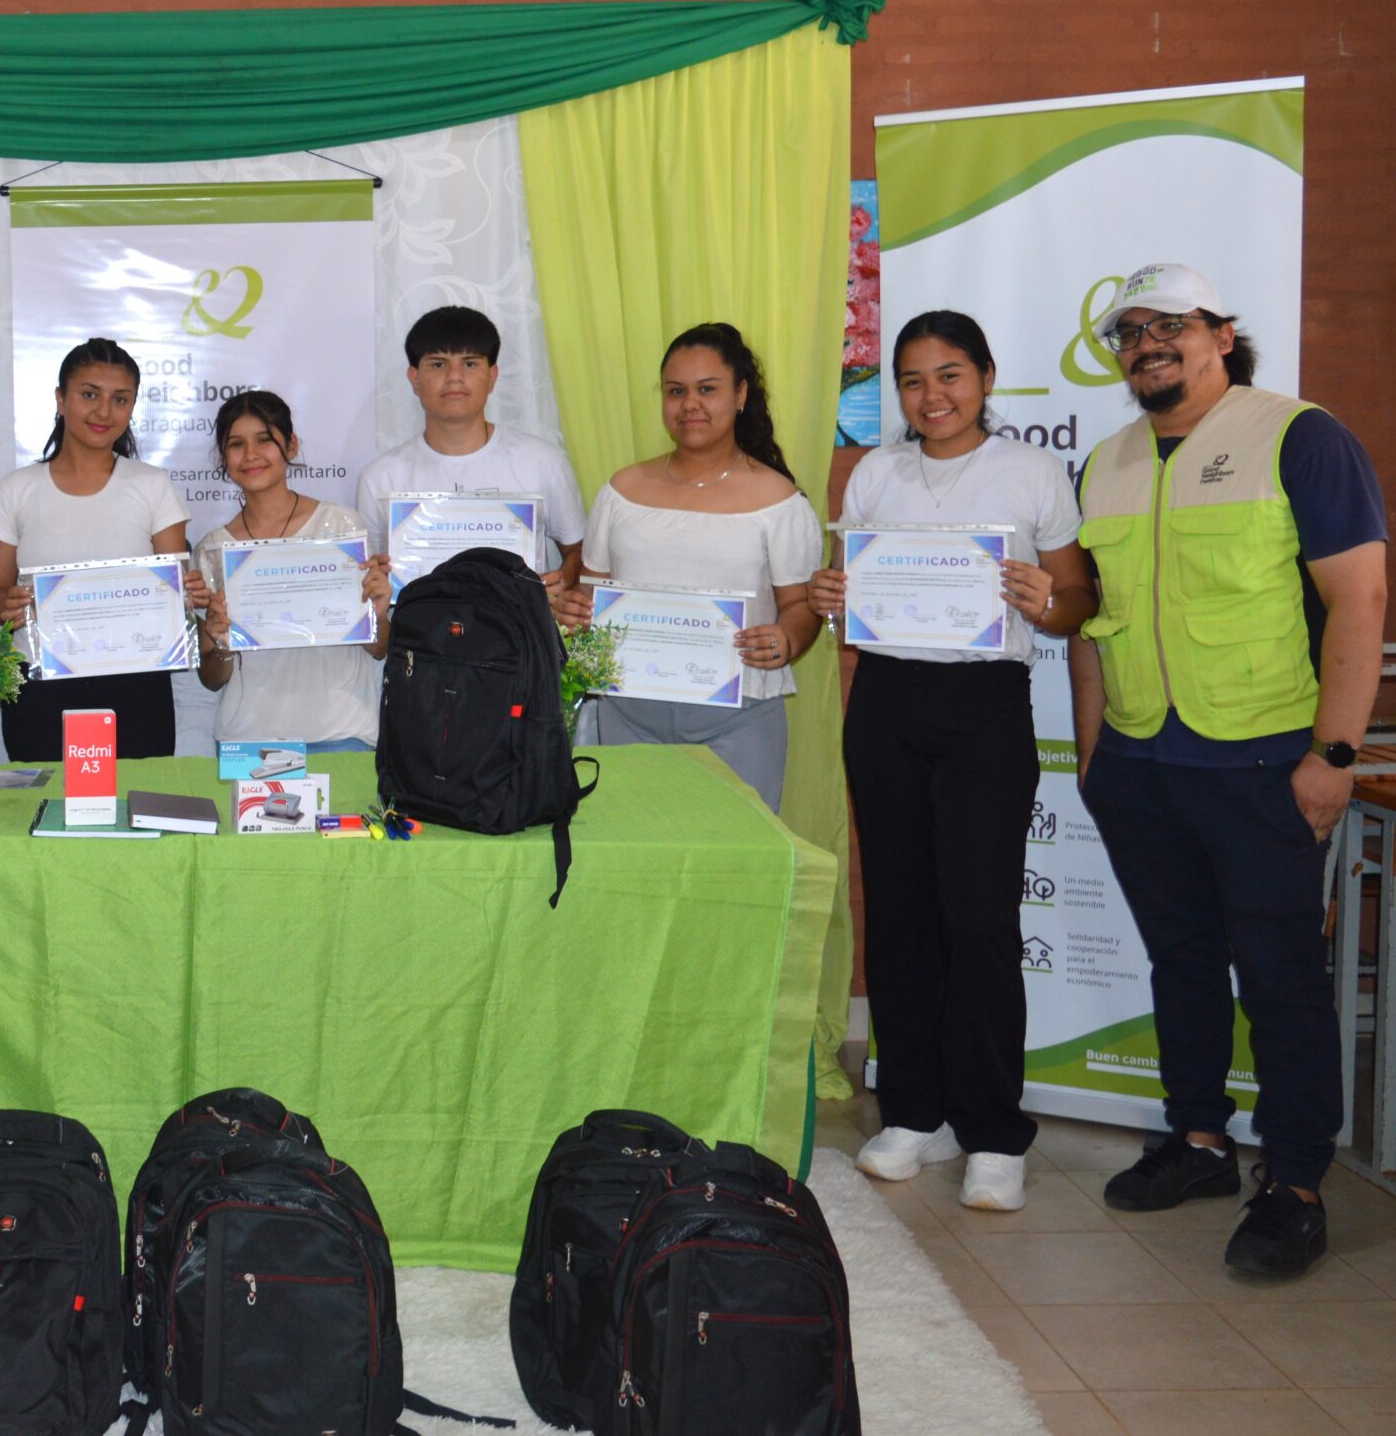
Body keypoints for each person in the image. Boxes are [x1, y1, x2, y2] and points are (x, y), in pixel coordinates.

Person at [1071, 263, 1386, 1279]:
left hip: (1261, 760)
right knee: (1181, 961)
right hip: (1140, 759)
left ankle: (1293, 1182)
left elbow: (1359, 598)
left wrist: (1333, 754)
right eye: (1129, 331)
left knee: (1283, 977)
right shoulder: (1106, 460)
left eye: (1170, 324)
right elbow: (1088, 614)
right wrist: (1094, 755)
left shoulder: (1298, 434)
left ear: (1218, 332)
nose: (1147, 342)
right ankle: (1197, 1139)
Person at [807, 312, 1095, 1214]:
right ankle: (915, 1114)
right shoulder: (875, 475)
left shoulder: (1031, 470)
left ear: (987, 379)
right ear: (897, 390)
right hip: (887, 700)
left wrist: (1051, 600)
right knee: (897, 911)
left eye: (951, 376)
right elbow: (842, 593)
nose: (933, 396)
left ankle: (993, 1131)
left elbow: (1078, 597)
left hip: (984, 708)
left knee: (977, 920)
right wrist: (829, 595)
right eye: (914, 380)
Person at [553, 322, 822, 811]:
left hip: (739, 720)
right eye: (676, 392)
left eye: (707, 390)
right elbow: (590, 599)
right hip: (624, 716)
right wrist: (573, 613)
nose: (690, 405)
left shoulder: (779, 501)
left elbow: (800, 607)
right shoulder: (621, 492)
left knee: (733, 870)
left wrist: (787, 640)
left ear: (740, 395)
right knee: (630, 864)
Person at [0, 337, 209, 761]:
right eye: (89, 395)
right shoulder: (16, 489)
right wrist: (7, 603)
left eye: (120, 399)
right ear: (60, 399)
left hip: (137, 684)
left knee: (137, 809)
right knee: (43, 810)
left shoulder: (152, 485)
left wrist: (187, 597)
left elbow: (176, 595)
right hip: (39, 684)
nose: (104, 412)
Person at [192, 390, 393, 752]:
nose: (251, 455)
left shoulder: (341, 526)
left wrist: (377, 614)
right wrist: (219, 640)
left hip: (342, 734)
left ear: (292, 445)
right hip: (247, 742)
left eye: (265, 440)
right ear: (224, 458)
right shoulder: (212, 550)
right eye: (237, 444)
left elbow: (378, 650)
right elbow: (211, 678)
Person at [355, 304, 588, 582]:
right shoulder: (380, 478)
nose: (455, 377)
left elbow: (577, 549)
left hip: (518, 624)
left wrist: (561, 580)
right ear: (414, 379)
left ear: (492, 376)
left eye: (470, 363)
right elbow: (371, 572)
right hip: (417, 625)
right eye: (438, 364)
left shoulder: (543, 461)